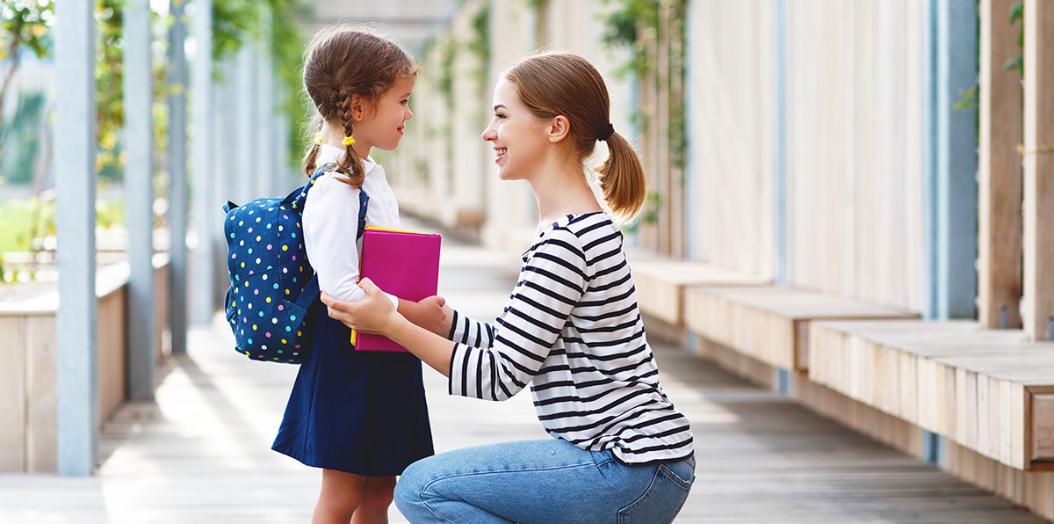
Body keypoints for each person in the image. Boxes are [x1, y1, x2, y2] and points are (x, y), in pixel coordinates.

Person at [322, 52, 695, 524]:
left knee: (422, 488)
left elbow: (498, 377)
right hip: (646, 465)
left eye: (502, 116)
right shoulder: (577, 228)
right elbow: (518, 340)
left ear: (555, 128)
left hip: (626, 466)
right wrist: (447, 323)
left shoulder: (566, 242)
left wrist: (391, 325)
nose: (488, 132)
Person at [271, 26, 445, 524]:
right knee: (343, 492)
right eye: (402, 101)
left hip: (383, 348)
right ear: (360, 107)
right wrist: (413, 314)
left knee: (379, 491)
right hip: (351, 354)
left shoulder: (366, 175)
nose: (408, 114)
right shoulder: (337, 187)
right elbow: (339, 292)